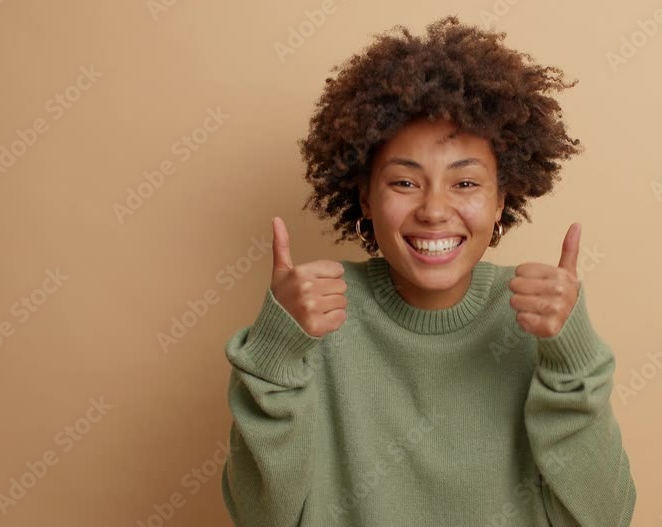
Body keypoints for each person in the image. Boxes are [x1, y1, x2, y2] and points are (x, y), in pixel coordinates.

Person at [221, 15, 636, 527]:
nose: (435, 210)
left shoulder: (542, 319)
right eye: (404, 182)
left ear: (502, 199)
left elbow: (606, 518)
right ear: (365, 199)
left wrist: (571, 357)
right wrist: (275, 350)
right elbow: (259, 518)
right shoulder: (314, 316)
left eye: (465, 184)